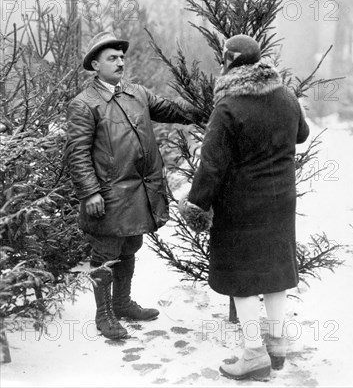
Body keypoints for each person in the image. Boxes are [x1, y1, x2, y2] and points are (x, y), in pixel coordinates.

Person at [178, 34, 310, 381]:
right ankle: (277, 344)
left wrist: (196, 204)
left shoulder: (229, 106)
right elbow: (302, 134)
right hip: (281, 198)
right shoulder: (286, 96)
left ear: (229, 61)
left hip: (241, 203)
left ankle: (253, 353)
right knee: (274, 269)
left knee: (242, 277)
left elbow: (212, 165)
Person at [65, 31, 203, 340]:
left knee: (131, 245)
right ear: (95, 65)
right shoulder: (84, 104)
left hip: (140, 190)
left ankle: (123, 303)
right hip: (109, 194)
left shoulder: (137, 93)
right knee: (106, 251)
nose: (120, 62)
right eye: (112, 58)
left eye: (121, 57)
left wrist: (206, 109)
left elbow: (173, 111)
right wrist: (89, 192)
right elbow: (76, 153)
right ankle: (104, 315)